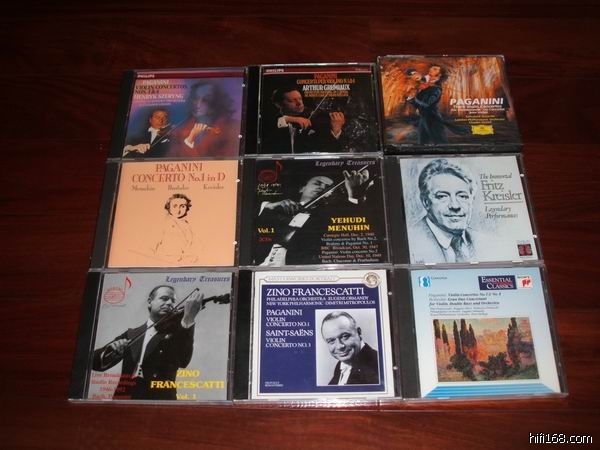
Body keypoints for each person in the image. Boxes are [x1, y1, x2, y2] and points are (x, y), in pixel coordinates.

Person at [92, 285, 204, 400]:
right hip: (126, 398)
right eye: (164, 298)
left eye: (173, 301)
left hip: (160, 400)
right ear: (150, 302)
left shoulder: (177, 332)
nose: (170, 303)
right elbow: (93, 362)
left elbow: (183, 361)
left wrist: (188, 319)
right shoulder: (132, 334)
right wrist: (109, 352)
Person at [255, 168, 376, 266]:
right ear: (302, 188)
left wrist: (354, 196)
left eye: (327, 187)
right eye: (317, 183)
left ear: (331, 195)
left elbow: (356, 227)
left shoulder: (331, 216)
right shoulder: (275, 209)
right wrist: (267, 207)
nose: (322, 188)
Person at [408, 158, 486, 263]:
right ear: (426, 202)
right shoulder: (409, 243)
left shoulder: (488, 243)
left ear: (472, 200)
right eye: (442, 196)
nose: (455, 206)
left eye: (462, 196)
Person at [261, 86, 346, 153]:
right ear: (279, 104)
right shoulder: (270, 120)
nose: (299, 103)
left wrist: (336, 130)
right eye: (292, 101)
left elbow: (329, 150)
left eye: (300, 99)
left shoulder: (315, 120)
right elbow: (268, 131)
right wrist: (290, 119)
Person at [170, 80, 240, 157]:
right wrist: (190, 138)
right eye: (195, 98)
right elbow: (174, 157)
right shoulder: (180, 131)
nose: (198, 104)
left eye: (205, 99)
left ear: (216, 102)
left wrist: (190, 139)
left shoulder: (232, 128)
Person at [405, 65, 467, 144]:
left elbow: (427, 104)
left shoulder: (436, 89)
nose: (431, 69)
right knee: (423, 143)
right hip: (424, 117)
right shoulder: (425, 85)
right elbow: (419, 104)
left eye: (435, 69)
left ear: (439, 75)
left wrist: (413, 99)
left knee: (440, 143)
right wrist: (411, 98)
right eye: (431, 68)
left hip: (432, 118)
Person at [321, 311, 379, 385]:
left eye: (345, 336)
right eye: (331, 340)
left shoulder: (377, 364)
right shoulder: (341, 366)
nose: (339, 346)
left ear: (359, 332)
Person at [154, 193, 198, 264]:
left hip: (185, 261)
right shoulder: (164, 223)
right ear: (169, 207)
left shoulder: (186, 224)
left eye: (182, 206)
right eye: (175, 206)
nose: (178, 210)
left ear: (187, 207)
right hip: (166, 260)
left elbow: (192, 243)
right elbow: (152, 246)